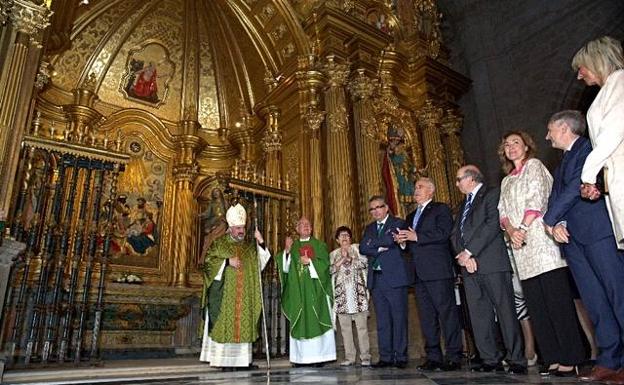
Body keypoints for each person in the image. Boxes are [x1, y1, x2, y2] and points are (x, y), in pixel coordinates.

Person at [543, 110, 624, 384]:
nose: (547, 135)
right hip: (574, 240)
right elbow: (557, 196)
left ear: (565, 129)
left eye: (550, 130)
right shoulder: (560, 162)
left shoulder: (588, 149)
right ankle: (610, 360)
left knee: (617, 293)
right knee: (595, 302)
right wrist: (556, 224)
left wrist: (549, 218)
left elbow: (578, 185)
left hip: (597, 233)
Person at [497, 131, 585, 376]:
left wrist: (523, 228)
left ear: (526, 146)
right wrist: (512, 230)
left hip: (541, 243)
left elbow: (538, 198)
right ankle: (553, 356)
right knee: (537, 305)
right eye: (507, 144)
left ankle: (572, 355)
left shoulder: (534, 166)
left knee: (557, 302)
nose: (511, 147)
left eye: (516, 142)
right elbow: (502, 211)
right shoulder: (506, 180)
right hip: (520, 248)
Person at [450, 165, 527, 374]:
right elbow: (455, 234)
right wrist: (463, 256)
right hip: (469, 267)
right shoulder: (462, 204)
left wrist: (470, 252)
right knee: (479, 314)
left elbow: (492, 225)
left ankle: (516, 359)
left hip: (492, 263)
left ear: (471, 179)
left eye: (459, 179)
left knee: (505, 312)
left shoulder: (492, 194)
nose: (456, 184)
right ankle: (489, 358)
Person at [396, 177, 462, 371]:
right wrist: (402, 242)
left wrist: (417, 236)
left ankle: (454, 356)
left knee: (446, 314)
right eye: (415, 187)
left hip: (438, 270)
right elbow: (409, 246)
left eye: (420, 187)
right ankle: (433, 356)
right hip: (418, 274)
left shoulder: (440, 209)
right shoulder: (410, 216)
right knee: (427, 317)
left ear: (431, 191)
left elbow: (444, 233)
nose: (415, 190)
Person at [199, 203, 271, 371]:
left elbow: (261, 262)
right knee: (225, 324)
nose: (241, 231)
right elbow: (208, 263)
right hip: (224, 296)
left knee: (244, 324)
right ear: (231, 228)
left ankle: (242, 361)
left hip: (245, 295)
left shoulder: (248, 247)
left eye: (243, 228)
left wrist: (260, 242)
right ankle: (224, 361)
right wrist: (226, 262)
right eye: (238, 228)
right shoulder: (219, 244)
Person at [572, 36, 624, 250]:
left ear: (596, 61)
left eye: (581, 67)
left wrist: (587, 177)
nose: (578, 75)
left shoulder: (620, 81)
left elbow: (612, 133)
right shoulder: (609, 89)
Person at [360, 195, 411, 369]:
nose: (375, 211)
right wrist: (379, 246)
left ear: (386, 207)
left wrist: (373, 245)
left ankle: (401, 356)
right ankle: (386, 356)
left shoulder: (398, 223)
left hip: (395, 278)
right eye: (372, 209)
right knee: (382, 320)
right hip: (376, 279)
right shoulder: (369, 227)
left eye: (378, 207)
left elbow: (390, 240)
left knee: (399, 318)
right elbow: (362, 247)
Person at [276, 217, 335, 366]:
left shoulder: (319, 245)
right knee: (300, 321)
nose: (306, 226)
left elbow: (326, 265)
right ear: (297, 229)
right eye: (302, 225)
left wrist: (311, 262)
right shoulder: (293, 246)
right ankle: (300, 359)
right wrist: (287, 252)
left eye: (308, 224)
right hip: (298, 293)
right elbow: (285, 269)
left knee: (317, 319)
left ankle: (320, 358)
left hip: (316, 291)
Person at [329, 226, 371, 367]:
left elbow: (365, 264)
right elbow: (329, 270)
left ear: (351, 238)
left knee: (362, 329)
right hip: (342, 298)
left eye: (347, 235)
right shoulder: (333, 254)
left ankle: (365, 357)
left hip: (358, 296)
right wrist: (341, 261)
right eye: (341, 236)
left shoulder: (358, 249)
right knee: (346, 330)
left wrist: (352, 259)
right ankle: (350, 357)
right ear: (337, 240)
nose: (344, 237)